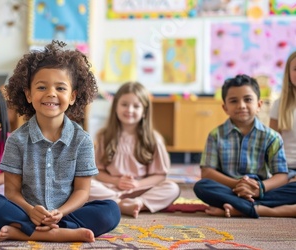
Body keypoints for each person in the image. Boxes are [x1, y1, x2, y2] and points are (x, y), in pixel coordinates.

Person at [0, 41, 120, 243]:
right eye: (42, 87)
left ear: (72, 96)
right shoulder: (16, 139)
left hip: (66, 214)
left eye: (60, 88)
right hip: (26, 212)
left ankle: (28, 232)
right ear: (28, 94)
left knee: (111, 210)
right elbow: (12, 192)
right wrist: (31, 210)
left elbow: (82, 191)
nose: (51, 93)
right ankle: (60, 233)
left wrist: (59, 212)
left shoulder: (82, 140)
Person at [194, 74, 296, 218]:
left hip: (260, 190)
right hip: (229, 188)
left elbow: (281, 176)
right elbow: (207, 172)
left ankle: (239, 207)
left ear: (259, 105)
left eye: (248, 100)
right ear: (225, 108)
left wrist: (258, 188)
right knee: (202, 186)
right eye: (234, 101)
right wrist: (238, 185)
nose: (241, 105)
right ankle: (251, 207)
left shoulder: (272, 137)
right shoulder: (215, 135)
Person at [89, 82, 180, 218]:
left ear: (144, 111)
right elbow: (98, 172)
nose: (129, 110)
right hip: (111, 188)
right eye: (124, 104)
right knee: (86, 185)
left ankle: (137, 203)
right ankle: (121, 203)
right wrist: (116, 182)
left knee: (172, 188)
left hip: (142, 190)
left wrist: (137, 184)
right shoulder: (104, 136)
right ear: (115, 107)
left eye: (136, 106)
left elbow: (160, 175)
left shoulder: (154, 139)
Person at [270, 51, 296, 183]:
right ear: (288, 74)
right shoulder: (279, 105)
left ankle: (261, 204)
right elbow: (273, 147)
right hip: (286, 170)